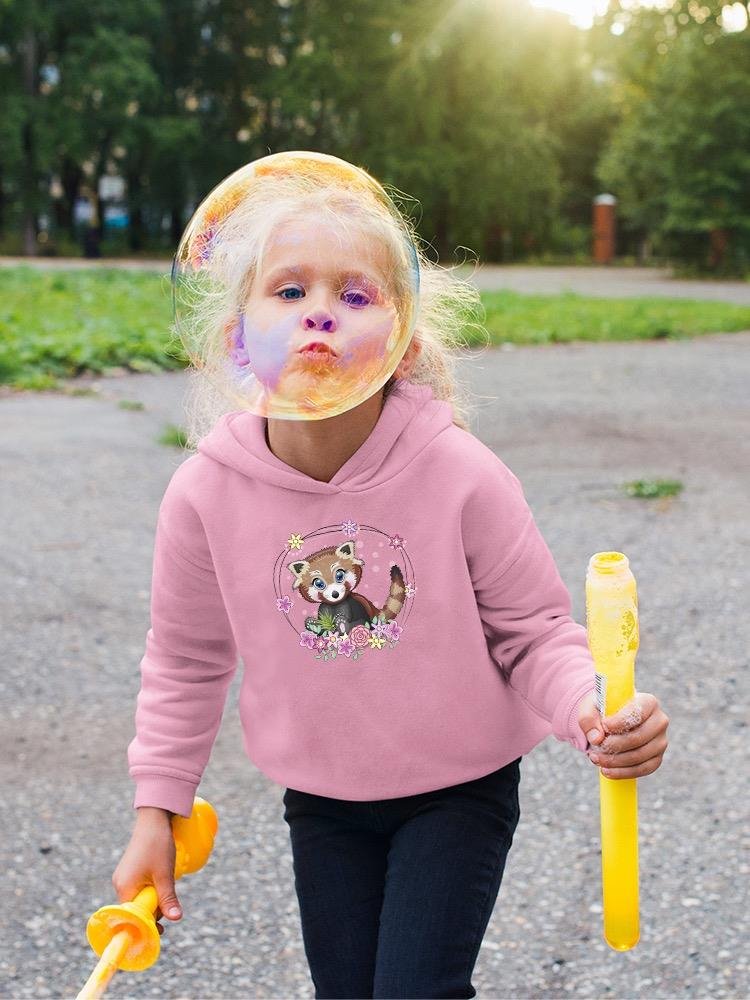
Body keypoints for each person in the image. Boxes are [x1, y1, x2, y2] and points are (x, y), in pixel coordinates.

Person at [112, 153, 669, 999]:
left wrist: (591, 708)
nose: (321, 316)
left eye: (356, 295)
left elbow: (531, 631)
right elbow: (186, 661)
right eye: (289, 291)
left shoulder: (462, 474)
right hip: (323, 800)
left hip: (458, 790)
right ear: (238, 332)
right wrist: (158, 809)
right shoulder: (203, 495)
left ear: (402, 334)